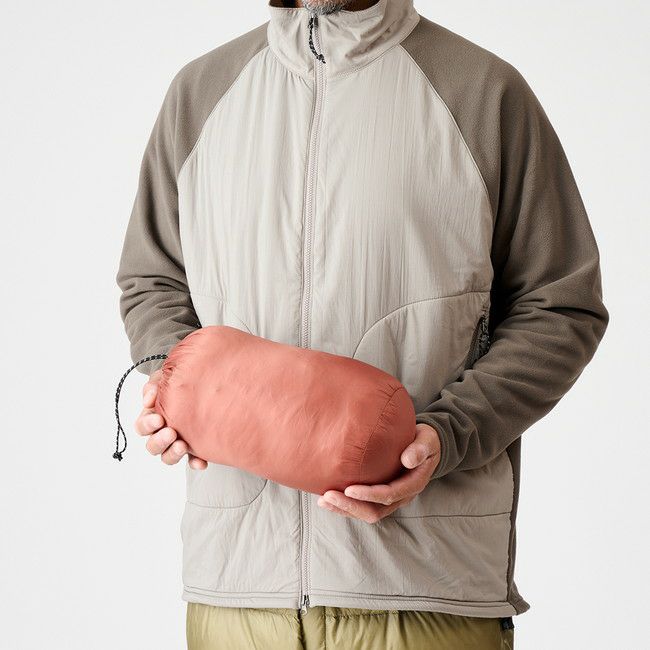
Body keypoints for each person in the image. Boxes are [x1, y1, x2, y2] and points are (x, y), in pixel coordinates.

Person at [115, 0, 608, 647]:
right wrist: (177, 386)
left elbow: (561, 303)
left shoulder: (482, 91)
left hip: (425, 586)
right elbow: (152, 279)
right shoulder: (201, 92)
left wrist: (447, 433)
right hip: (235, 587)